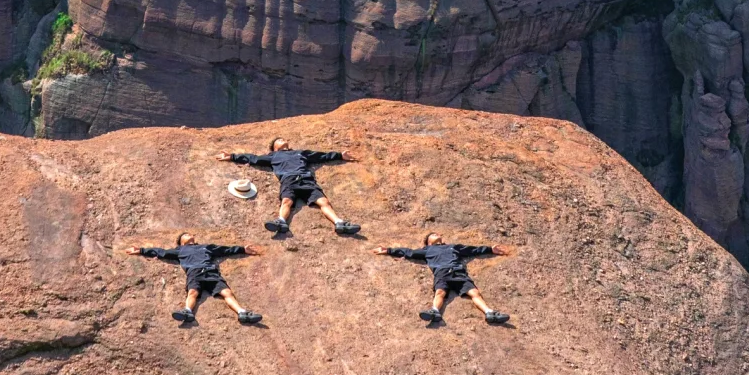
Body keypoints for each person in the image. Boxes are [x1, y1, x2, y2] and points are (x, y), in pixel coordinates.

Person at [218, 138, 360, 236]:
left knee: (324, 202)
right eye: (278, 140)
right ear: (274, 147)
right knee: (287, 201)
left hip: (306, 180)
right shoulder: (273, 156)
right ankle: (281, 222)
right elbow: (253, 158)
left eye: (283, 139)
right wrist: (232, 156)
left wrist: (340, 155)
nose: (282, 140)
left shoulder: (300, 152)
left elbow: (320, 156)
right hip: (289, 180)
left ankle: (339, 223)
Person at [374, 232, 510, 326]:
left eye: (438, 234)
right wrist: (388, 250)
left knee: (475, 293)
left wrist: (490, 249)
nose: (437, 235)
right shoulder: (427, 250)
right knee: (440, 292)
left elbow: (471, 250)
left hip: (459, 273)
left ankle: (490, 313)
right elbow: (408, 252)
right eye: (433, 235)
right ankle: (435, 312)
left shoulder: (453, 247)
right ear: (428, 242)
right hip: (442, 273)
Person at [127, 233, 263, 325]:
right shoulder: (180, 250)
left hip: (211, 272)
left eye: (189, 234)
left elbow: (224, 250)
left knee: (227, 293)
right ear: (180, 243)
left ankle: (242, 313)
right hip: (195, 272)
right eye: (185, 235)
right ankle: (187, 312)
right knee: (193, 292)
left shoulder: (206, 247)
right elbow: (161, 252)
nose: (188, 235)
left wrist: (242, 250)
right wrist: (141, 250)